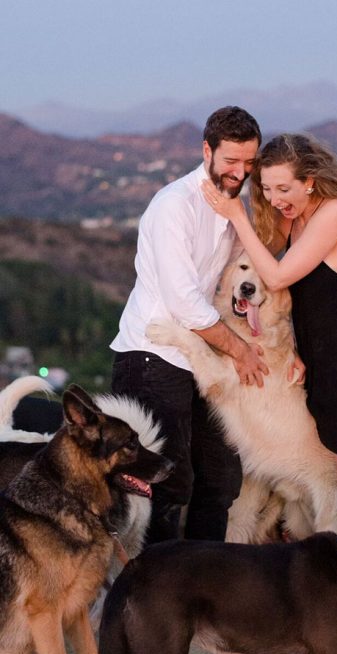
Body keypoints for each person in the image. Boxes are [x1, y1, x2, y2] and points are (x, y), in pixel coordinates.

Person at [202, 133, 337, 616]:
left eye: (283, 189)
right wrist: (298, 348)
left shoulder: (334, 213)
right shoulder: (296, 220)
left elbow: (277, 279)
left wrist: (236, 214)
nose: (275, 200)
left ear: (311, 181)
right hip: (331, 365)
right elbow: (312, 298)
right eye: (267, 190)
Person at [110, 106, 268, 543]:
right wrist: (240, 351)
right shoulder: (174, 206)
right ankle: (149, 593)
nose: (240, 171)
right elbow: (186, 304)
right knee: (165, 483)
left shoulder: (235, 207)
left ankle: (205, 583)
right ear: (207, 151)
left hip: (202, 358)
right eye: (231, 161)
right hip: (152, 355)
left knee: (220, 479)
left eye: (249, 163)